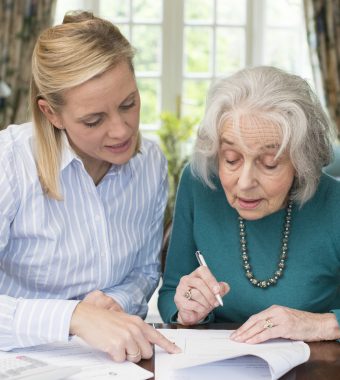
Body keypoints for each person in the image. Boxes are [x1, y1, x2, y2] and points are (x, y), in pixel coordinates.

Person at [0, 11, 181, 361]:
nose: (122, 130)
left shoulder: (150, 164)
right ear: (51, 113)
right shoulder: (9, 164)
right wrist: (75, 317)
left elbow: (144, 271)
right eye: (94, 120)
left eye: (129, 104)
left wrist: (116, 302)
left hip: (111, 361)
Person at [158, 66, 340, 343]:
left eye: (269, 164)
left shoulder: (333, 202)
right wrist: (186, 311)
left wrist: (321, 324)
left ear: (302, 163)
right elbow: (171, 291)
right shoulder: (200, 182)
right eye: (231, 158)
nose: (244, 183)